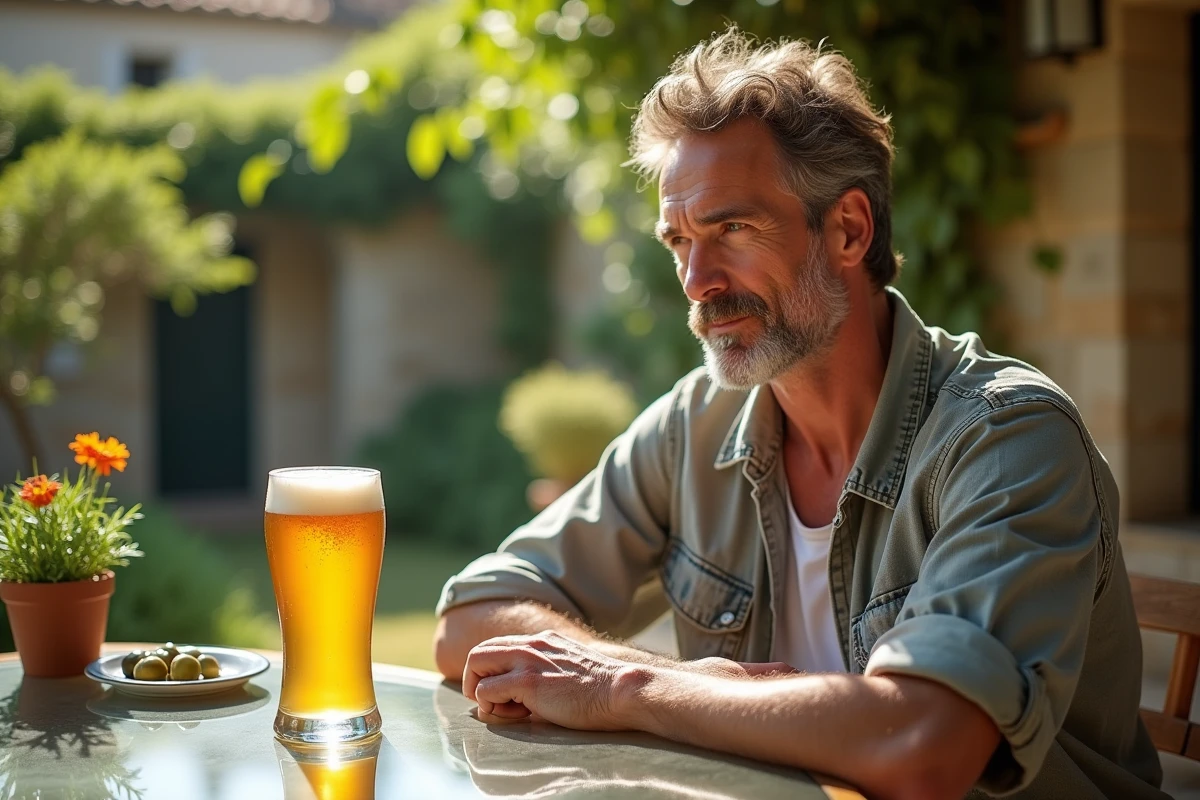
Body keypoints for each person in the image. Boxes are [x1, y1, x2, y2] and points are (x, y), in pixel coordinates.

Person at [433, 29, 1166, 800]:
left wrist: (629, 687)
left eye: (732, 230)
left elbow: (926, 742)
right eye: (679, 240)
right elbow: (471, 618)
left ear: (848, 229)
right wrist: (655, 674)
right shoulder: (698, 424)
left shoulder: (1007, 438)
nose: (696, 280)